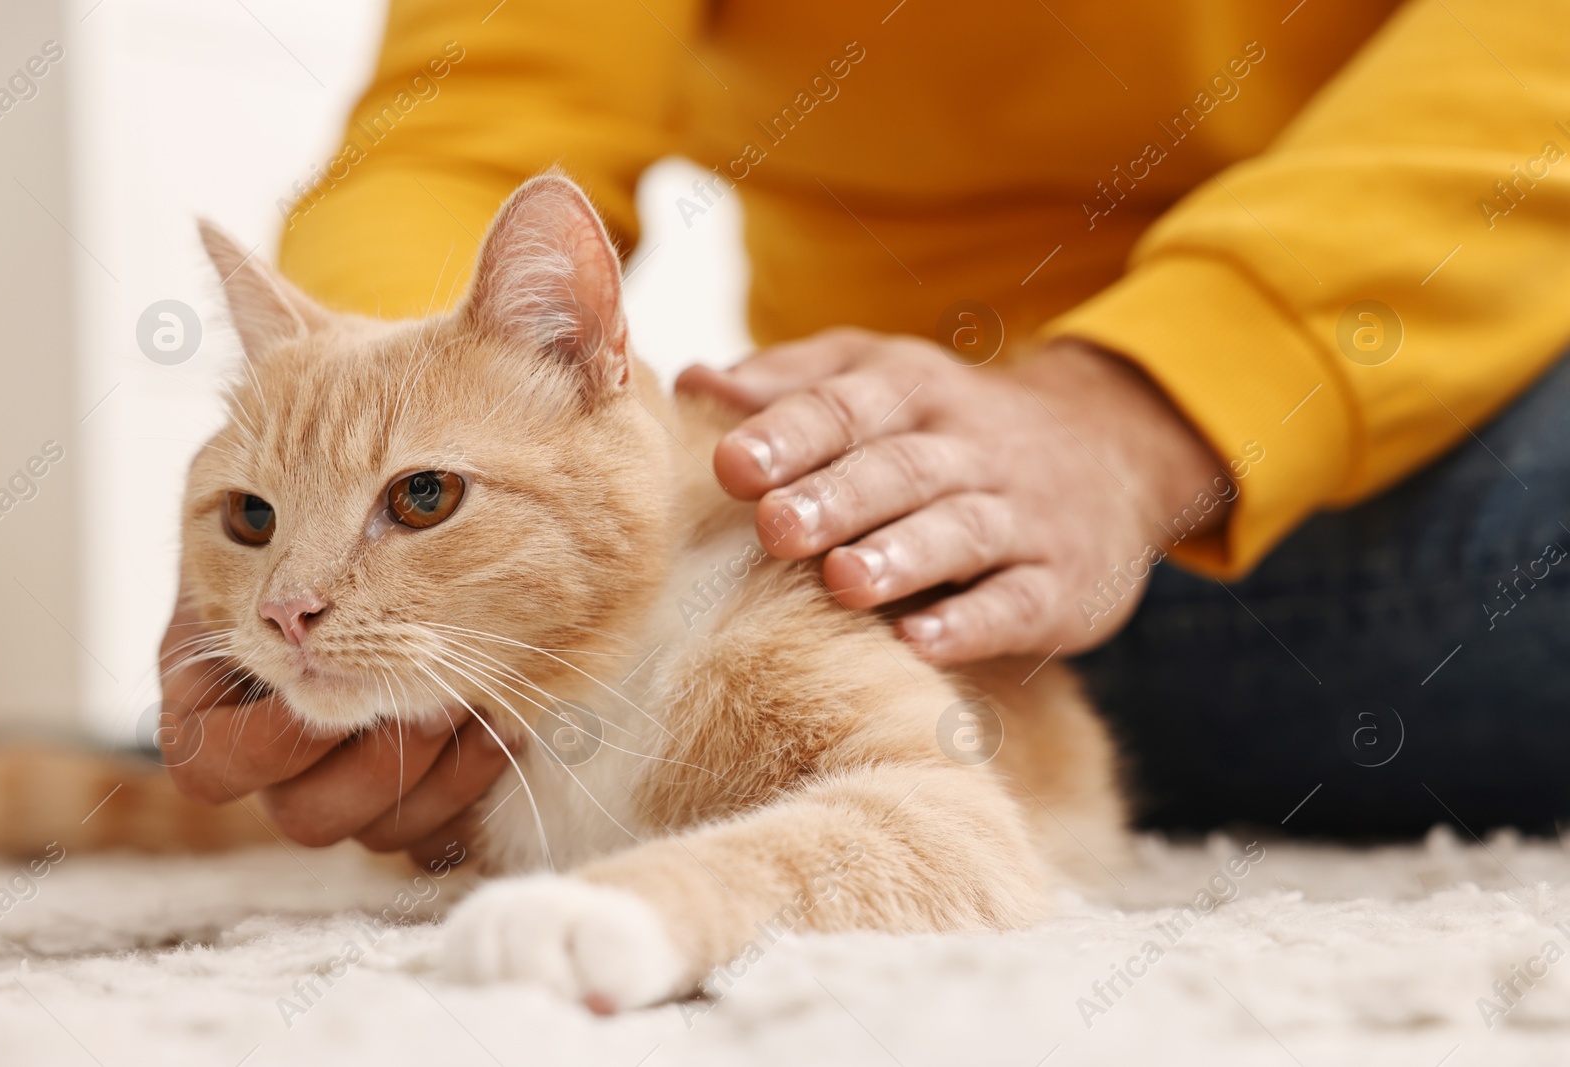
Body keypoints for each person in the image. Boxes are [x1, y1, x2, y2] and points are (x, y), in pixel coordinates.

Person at [160, 0, 1570, 862]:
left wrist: (1149, 407)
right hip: (896, 492)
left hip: (1411, 365)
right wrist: (369, 430)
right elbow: (478, 102)